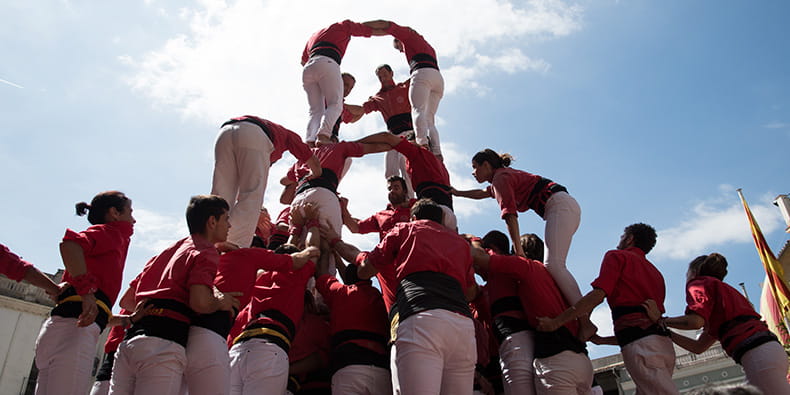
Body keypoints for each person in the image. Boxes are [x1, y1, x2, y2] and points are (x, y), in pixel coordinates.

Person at [331, 198, 477, 395]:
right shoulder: (461, 244)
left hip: (421, 318)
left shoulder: (404, 229)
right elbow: (470, 292)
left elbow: (366, 270)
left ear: (413, 217)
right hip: (463, 327)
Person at [110, 195, 239, 395]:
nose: (229, 226)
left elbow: (127, 300)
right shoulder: (205, 253)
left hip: (130, 343)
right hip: (163, 344)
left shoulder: (166, 252)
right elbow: (200, 302)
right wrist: (221, 302)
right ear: (212, 222)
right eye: (226, 219)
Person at [452, 149, 588, 333]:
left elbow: (510, 216)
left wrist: (519, 250)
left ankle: (585, 319)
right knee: (554, 265)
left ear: (487, 165)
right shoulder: (500, 179)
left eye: (475, 167)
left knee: (555, 265)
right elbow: (482, 193)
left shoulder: (501, 178)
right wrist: (457, 193)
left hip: (559, 206)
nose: (473, 172)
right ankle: (581, 317)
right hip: (561, 206)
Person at [537, 223, 678, 395]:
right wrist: (602, 341)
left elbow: (598, 294)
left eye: (622, 236)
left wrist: (557, 321)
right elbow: (644, 327)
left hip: (643, 348)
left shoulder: (617, 257)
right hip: (663, 347)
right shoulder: (656, 274)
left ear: (629, 238)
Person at [643, 253, 790, 395]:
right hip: (767, 349)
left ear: (693, 272)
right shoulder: (723, 294)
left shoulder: (699, 284)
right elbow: (698, 347)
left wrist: (660, 320)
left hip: (756, 353)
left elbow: (695, 322)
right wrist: (666, 331)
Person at [34, 191, 135, 395]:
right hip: (74, 333)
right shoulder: (111, 233)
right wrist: (86, 291)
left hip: (61, 327)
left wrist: (127, 320)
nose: (134, 219)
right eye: (130, 212)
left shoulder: (108, 240)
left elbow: (94, 310)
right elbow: (70, 244)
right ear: (114, 213)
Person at [470, 233, 593, 394]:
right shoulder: (553, 277)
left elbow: (479, 258)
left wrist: (472, 240)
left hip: (554, 359)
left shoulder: (523, 267)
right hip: (581, 360)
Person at [228, 210, 320, 395]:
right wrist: (312, 222)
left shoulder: (260, 277)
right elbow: (314, 250)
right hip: (269, 349)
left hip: (237, 350)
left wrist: (294, 231)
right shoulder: (296, 274)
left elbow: (280, 259)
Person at [211, 115, 321, 249]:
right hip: (254, 134)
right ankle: (235, 246)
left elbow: (238, 193)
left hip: (224, 133)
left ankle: (209, 240)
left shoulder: (272, 133)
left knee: (220, 195)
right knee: (252, 194)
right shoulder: (287, 135)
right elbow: (313, 162)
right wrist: (314, 174)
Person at [364, 21, 444, 158]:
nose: (402, 51)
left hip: (422, 72)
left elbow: (387, 25)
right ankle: (437, 152)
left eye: (399, 47)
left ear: (400, 40)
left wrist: (362, 28)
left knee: (417, 109)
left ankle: (422, 143)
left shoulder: (407, 36)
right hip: (438, 78)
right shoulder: (427, 46)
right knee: (429, 119)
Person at [315, 256, 391, 395]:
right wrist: (337, 258)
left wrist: (327, 252)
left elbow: (322, 274)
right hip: (383, 372)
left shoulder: (340, 293)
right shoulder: (381, 299)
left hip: (349, 368)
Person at [301, 20, 384, 145]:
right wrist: (390, 30)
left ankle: (310, 140)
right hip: (328, 62)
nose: (348, 89)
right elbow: (368, 28)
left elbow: (303, 61)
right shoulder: (343, 26)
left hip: (309, 68)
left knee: (315, 110)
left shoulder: (314, 36)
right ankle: (323, 136)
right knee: (336, 105)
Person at [479, 232, 541, 395]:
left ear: (490, 249)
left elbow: (476, 256)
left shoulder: (501, 265)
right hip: (528, 340)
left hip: (515, 339)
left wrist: (471, 241)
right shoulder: (520, 267)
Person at [356, 131, 456, 231]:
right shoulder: (439, 164)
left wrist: (353, 144)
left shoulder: (416, 152)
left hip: (434, 213)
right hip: (449, 216)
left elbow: (386, 136)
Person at [350, 64, 415, 195]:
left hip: (409, 133)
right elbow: (361, 110)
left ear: (391, 73)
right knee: (390, 172)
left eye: (384, 75)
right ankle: (396, 200)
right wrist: (341, 105)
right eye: (379, 77)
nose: (383, 78)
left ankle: (410, 200)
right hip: (392, 138)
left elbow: (419, 75)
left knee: (406, 166)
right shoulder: (378, 97)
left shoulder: (404, 87)